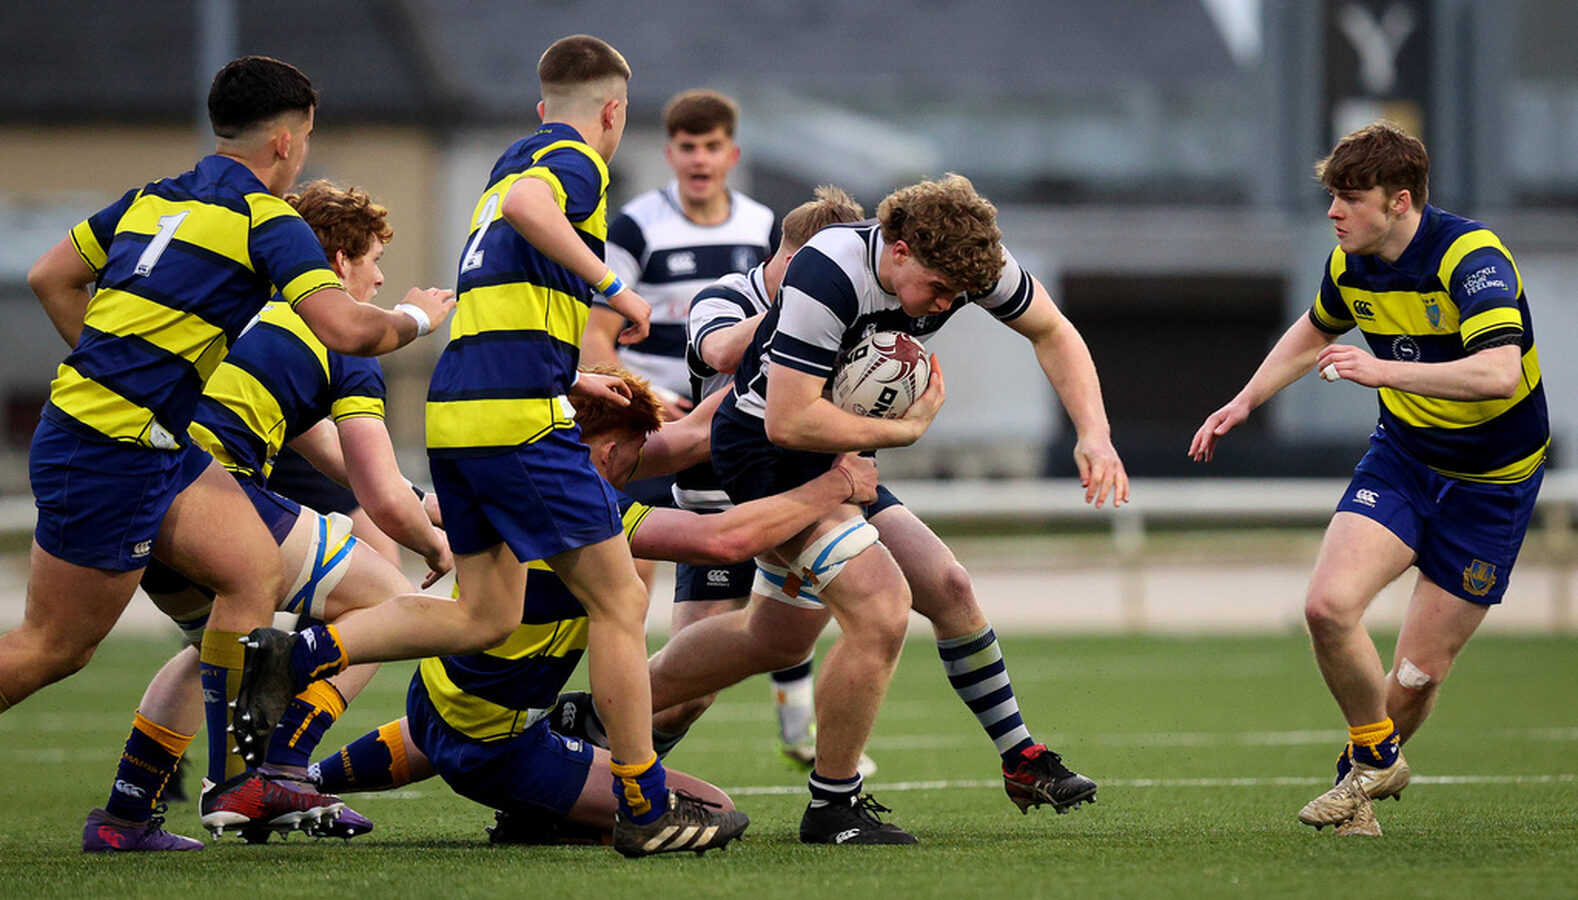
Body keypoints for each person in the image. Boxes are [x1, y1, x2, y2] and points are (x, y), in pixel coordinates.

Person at [227, 35, 746, 858]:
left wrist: (573, 377)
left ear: (542, 107)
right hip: (515, 419)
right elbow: (531, 211)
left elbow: (511, 288)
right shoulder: (575, 162)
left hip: (458, 410)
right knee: (621, 601)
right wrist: (618, 290)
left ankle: (303, 652)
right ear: (613, 113)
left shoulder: (508, 162)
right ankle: (644, 805)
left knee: (482, 614)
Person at [5, 55, 454, 851]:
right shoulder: (266, 219)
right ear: (286, 140)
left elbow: (50, 276)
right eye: (307, 137)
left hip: (150, 441)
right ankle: (258, 770)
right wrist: (419, 318)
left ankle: (224, 785)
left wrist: (122, 373)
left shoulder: (152, 197)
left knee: (249, 577)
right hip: (108, 450)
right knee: (55, 647)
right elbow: (350, 330)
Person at [631, 174, 1128, 844]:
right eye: (938, 289)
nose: (946, 305)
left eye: (958, 294)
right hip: (764, 456)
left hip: (837, 453)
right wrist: (904, 431)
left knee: (929, 591)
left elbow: (1052, 330)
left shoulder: (966, 261)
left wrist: (1094, 433)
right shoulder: (828, 273)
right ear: (897, 250)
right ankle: (832, 807)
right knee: (881, 605)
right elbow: (786, 422)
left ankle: (1020, 758)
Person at [308, 366, 875, 850]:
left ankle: (305, 780)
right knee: (713, 809)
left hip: (435, 702)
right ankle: (541, 815)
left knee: (454, 720)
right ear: (607, 451)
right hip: (498, 749)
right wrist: (836, 485)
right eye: (632, 458)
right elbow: (722, 540)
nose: (633, 471)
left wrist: (778, 362)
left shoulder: (501, 476)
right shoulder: (585, 511)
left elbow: (410, 498)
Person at [1190, 122, 1548, 834]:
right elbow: (1314, 330)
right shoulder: (1350, 262)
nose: (1334, 212)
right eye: (1332, 197)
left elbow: (1498, 374)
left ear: (1400, 202)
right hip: (1404, 461)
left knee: (1417, 677)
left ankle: (1353, 787)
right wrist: (1247, 400)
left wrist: (1381, 369)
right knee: (1327, 607)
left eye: (1350, 198)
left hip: (1492, 484)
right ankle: (1378, 758)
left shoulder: (1471, 257)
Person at [82, 181, 451, 851]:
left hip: (144, 491)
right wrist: (433, 545)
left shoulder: (247, 309)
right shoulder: (342, 337)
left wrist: (421, 503)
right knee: (390, 604)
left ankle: (124, 817)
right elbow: (378, 494)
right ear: (338, 261)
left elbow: (329, 453)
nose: (380, 278)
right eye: (373, 261)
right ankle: (277, 771)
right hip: (212, 494)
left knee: (211, 653)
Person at [627, 185, 872, 771]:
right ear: (793, 258)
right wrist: (806, 306)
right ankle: (595, 755)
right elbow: (720, 353)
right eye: (826, 267)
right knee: (686, 697)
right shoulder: (725, 296)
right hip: (715, 502)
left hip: (797, 497)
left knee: (891, 605)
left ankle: (822, 761)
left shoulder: (855, 309)